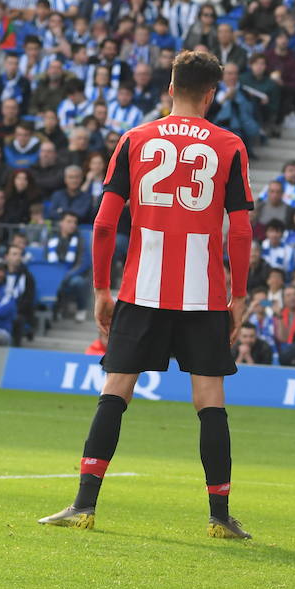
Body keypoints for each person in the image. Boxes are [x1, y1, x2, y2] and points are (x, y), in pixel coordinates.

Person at [39, 49, 255, 539]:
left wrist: (101, 288)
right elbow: (239, 232)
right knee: (210, 399)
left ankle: (83, 505)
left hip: (142, 287)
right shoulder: (229, 145)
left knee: (115, 390)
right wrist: (237, 295)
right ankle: (219, 517)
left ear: (170, 87)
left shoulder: (135, 139)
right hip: (202, 293)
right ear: (211, 93)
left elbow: (103, 224)